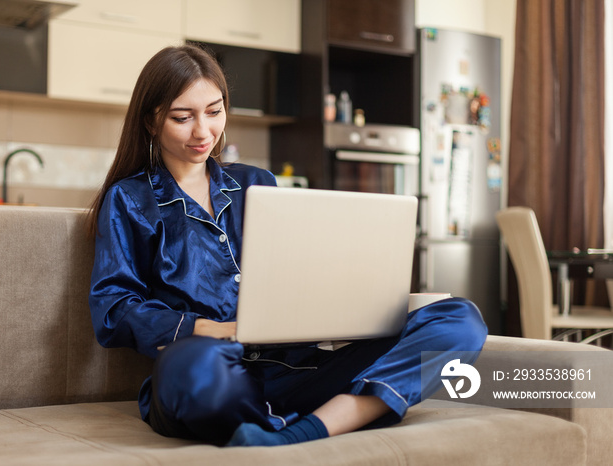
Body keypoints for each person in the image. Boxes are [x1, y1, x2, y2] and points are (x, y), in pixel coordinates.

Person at [88, 44, 488, 447]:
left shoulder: (256, 182)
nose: (203, 131)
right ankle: (291, 426)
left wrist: (358, 305)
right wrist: (211, 329)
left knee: (460, 320)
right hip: (215, 371)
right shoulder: (129, 199)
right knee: (188, 365)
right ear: (151, 120)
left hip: (299, 366)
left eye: (214, 111)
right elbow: (114, 308)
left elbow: (298, 273)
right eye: (182, 117)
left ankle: (296, 433)